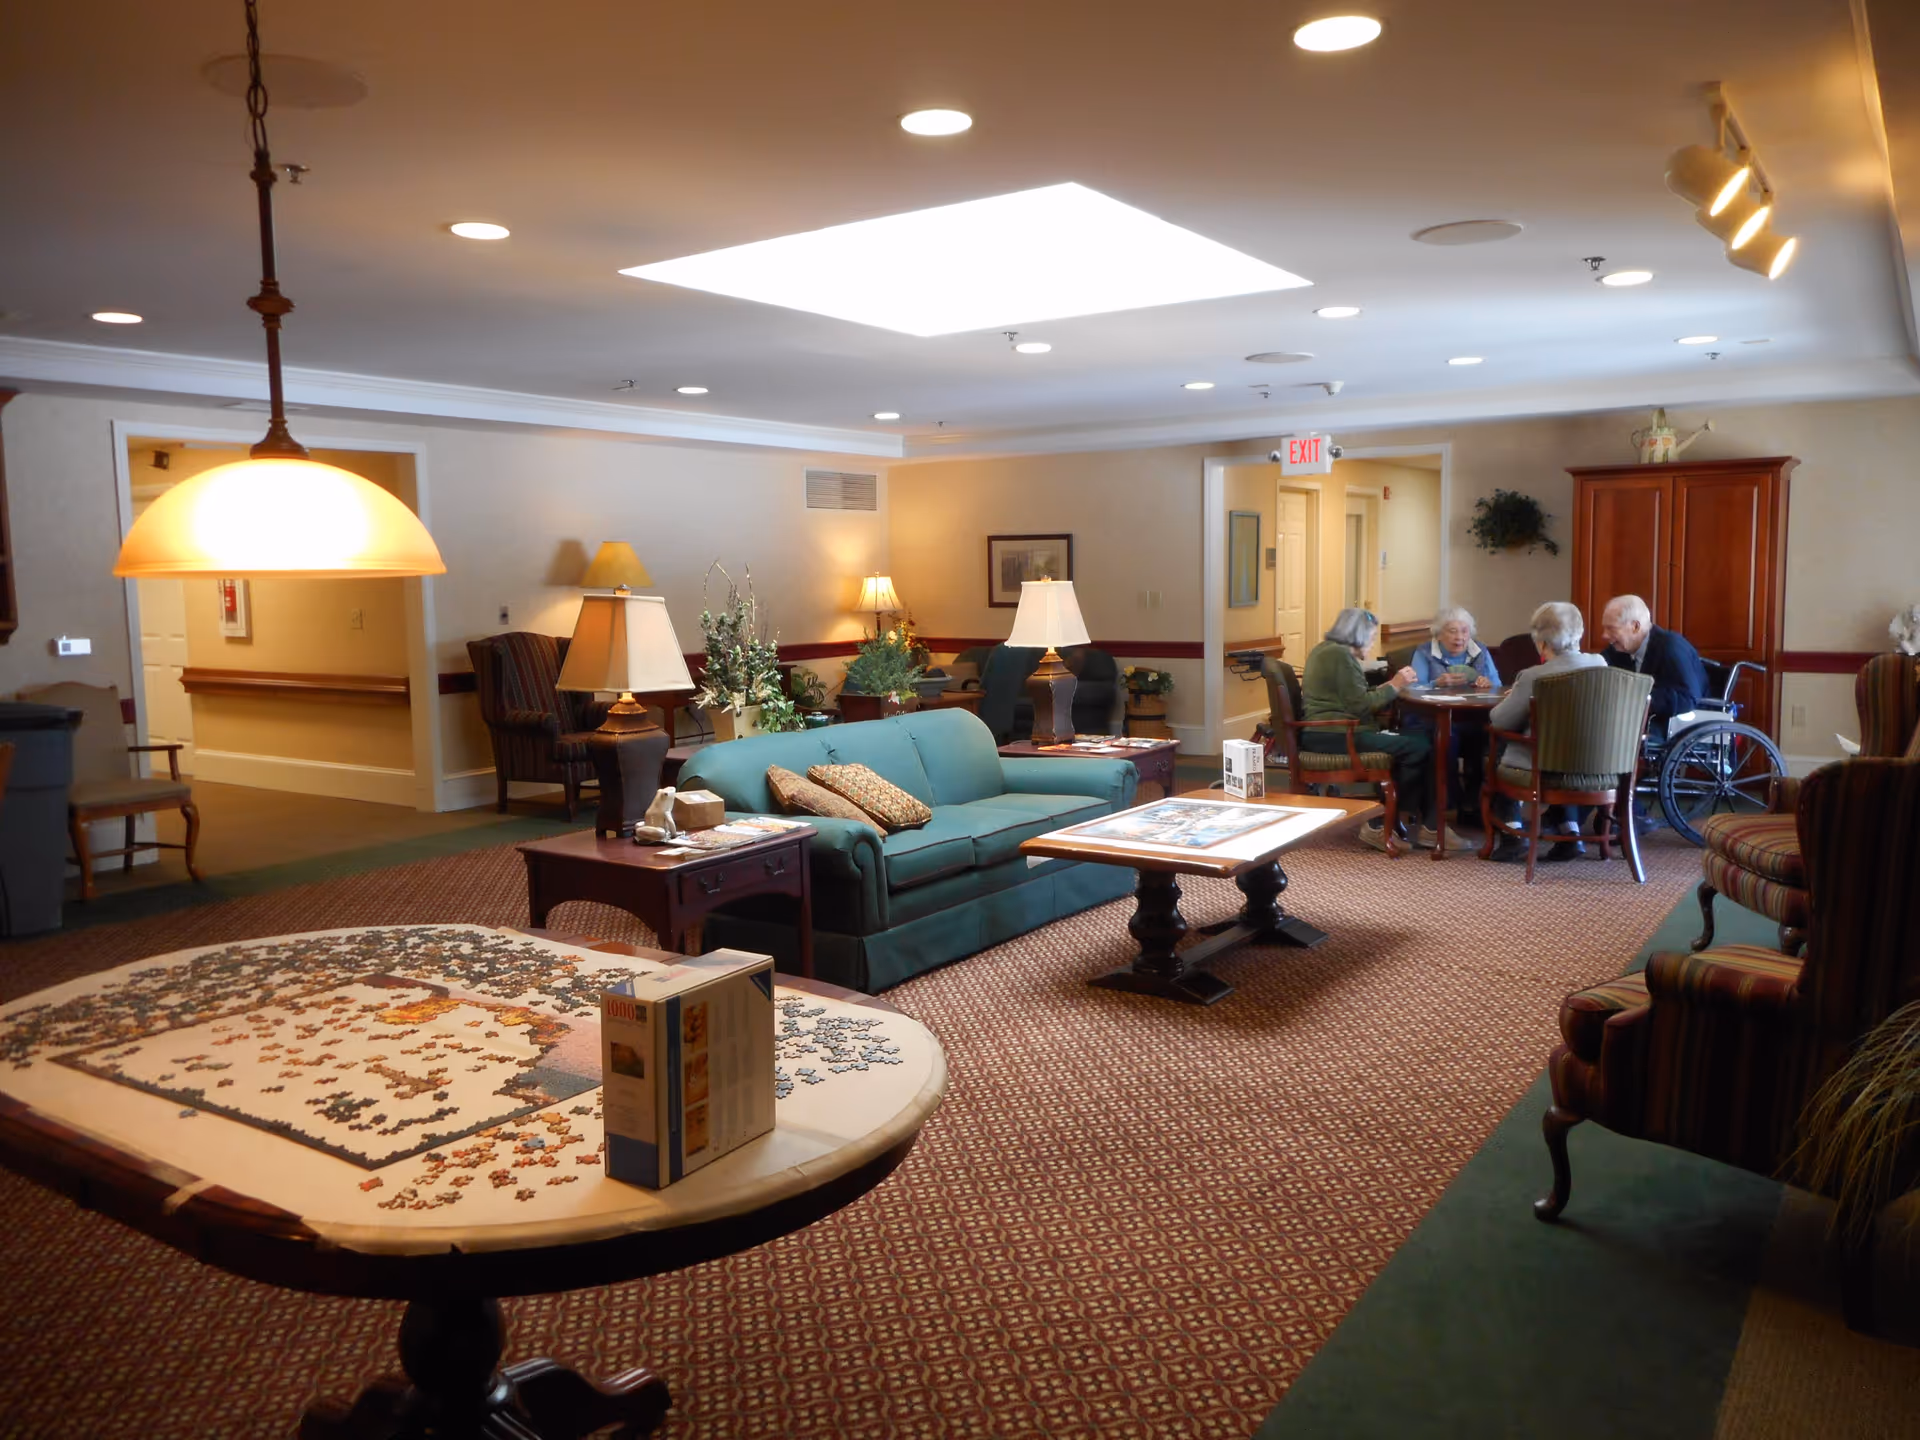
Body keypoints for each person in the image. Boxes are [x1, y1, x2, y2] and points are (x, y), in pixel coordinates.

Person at [1300, 607, 1462, 853]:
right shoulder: (1339, 656)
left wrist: (1389, 686)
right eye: (1372, 636)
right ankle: (1382, 821)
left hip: (1334, 731)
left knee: (1424, 741)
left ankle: (1425, 824)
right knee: (1421, 747)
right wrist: (1396, 685)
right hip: (1334, 734)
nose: (1373, 642)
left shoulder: (1329, 651)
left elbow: (1354, 698)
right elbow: (1361, 707)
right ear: (1359, 634)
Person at [1485, 601, 1606, 863]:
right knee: (1564, 751)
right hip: (1595, 766)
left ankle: (1512, 835)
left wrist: (1514, 697)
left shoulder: (1533, 677)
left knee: (1496, 750)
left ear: (1541, 643)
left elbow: (1500, 721)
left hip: (1543, 769)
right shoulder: (1601, 664)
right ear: (1579, 633)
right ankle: (1570, 832)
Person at [1409, 606, 1500, 822]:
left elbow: (1498, 684)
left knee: (1485, 737)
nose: (1460, 637)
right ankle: (1449, 800)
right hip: (1432, 719)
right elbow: (1412, 689)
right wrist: (1435, 683)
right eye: (1452, 631)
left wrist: (1487, 683)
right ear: (1439, 633)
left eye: (1464, 631)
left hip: (1473, 717)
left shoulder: (1480, 651)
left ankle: (1473, 802)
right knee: (1447, 737)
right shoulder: (1424, 652)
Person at [1598, 594, 1707, 735]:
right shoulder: (1618, 650)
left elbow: (1687, 698)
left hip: (1673, 727)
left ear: (1635, 627)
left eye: (1611, 629)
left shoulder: (1671, 647)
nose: (1604, 635)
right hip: (1636, 725)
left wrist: (1638, 698)